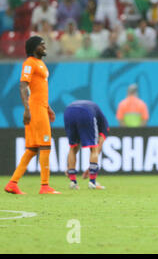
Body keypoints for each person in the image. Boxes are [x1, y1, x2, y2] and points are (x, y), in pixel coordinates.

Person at [4, 36, 60, 195]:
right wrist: (27, 109)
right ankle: (45, 186)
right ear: (34, 47)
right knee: (45, 145)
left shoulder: (40, 64)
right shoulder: (29, 63)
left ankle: (12, 183)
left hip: (40, 107)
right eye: (41, 44)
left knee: (32, 149)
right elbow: (23, 86)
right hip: (35, 109)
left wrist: (48, 107)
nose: (44, 46)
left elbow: (38, 89)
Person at [64, 100, 109, 190]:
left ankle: (73, 182)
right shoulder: (104, 127)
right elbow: (98, 147)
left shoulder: (97, 112)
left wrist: (68, 167)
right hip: (85, 112)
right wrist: (92, 169)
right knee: (94, 148)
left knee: (73, 147)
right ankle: (92, 182)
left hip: (68, 111)